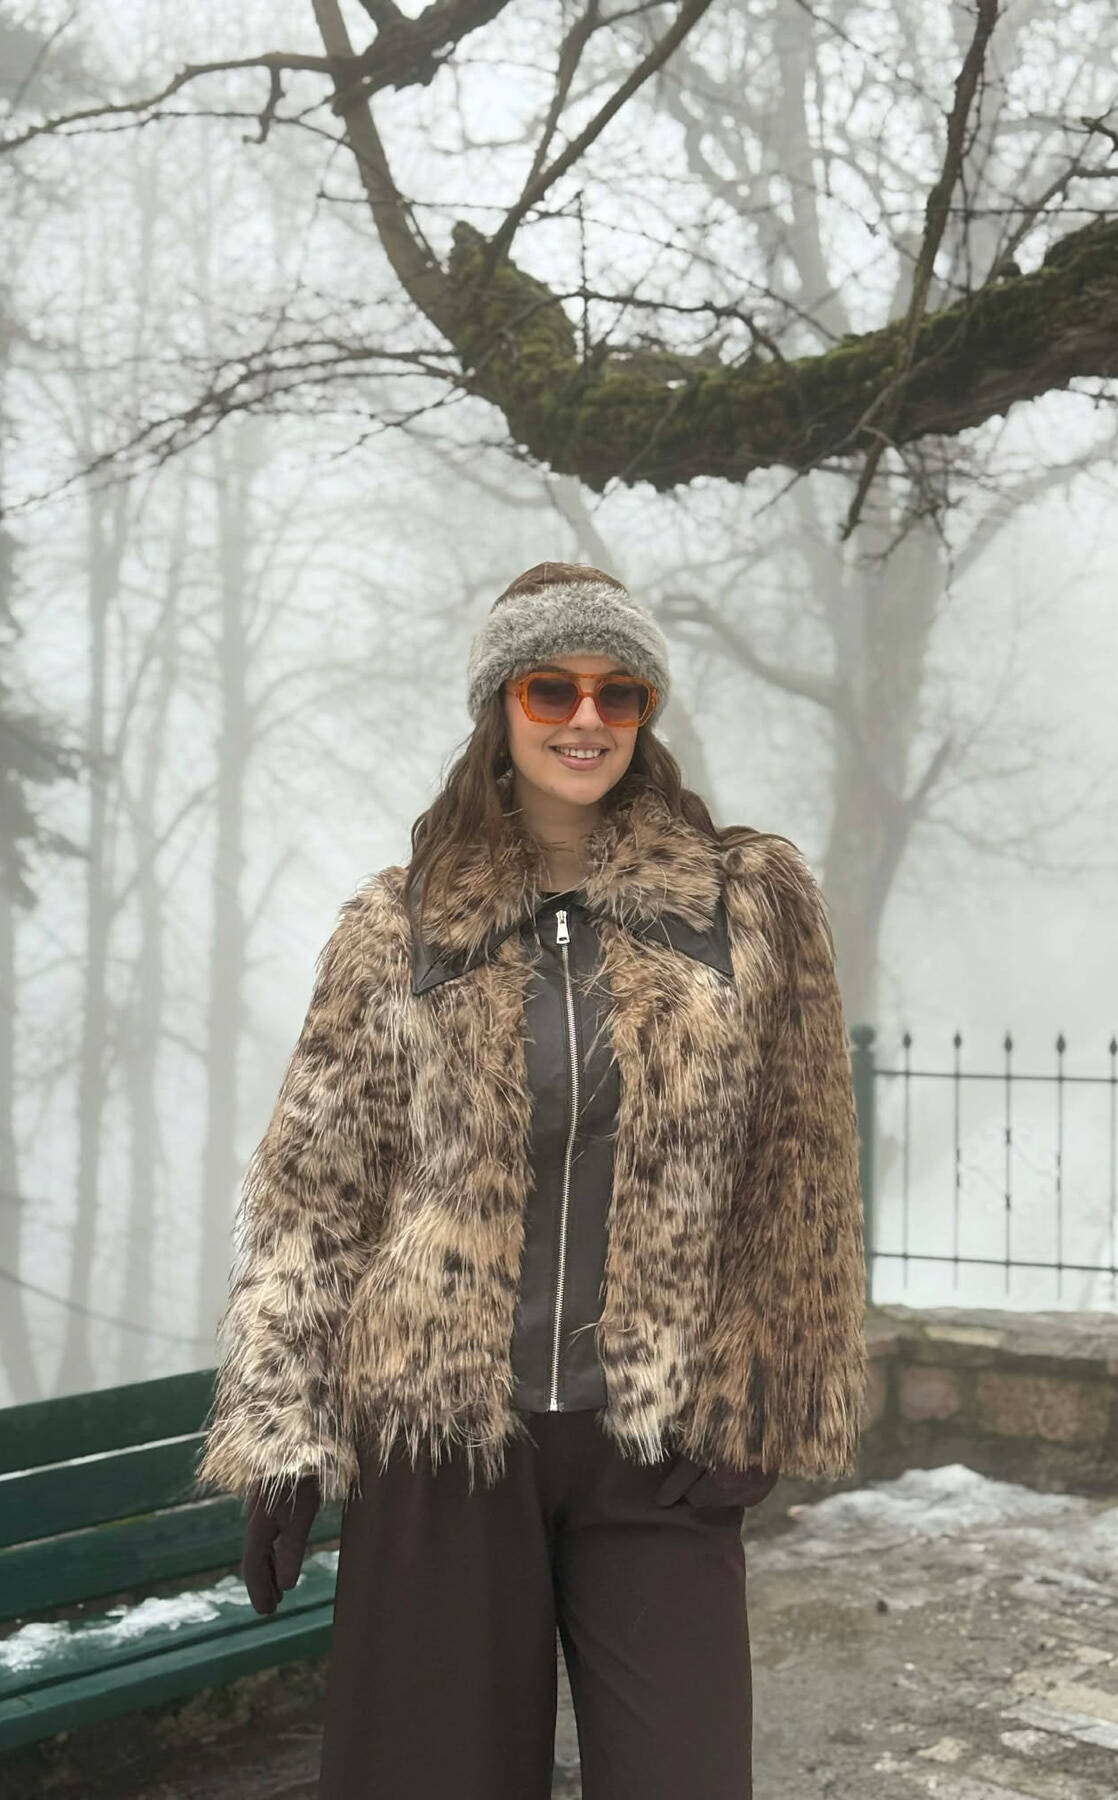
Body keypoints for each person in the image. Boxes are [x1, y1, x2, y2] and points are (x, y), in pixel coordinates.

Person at [194, 560, 868, 1800]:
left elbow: (801, 1171)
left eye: (620, 691)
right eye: (552, 688)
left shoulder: (746, 908)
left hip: (655, 1445)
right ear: (499, 707)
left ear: (647, 710)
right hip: (441, 1443)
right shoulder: (400, 928)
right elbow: (315, 1195)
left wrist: (767, 1386)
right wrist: (284, 1431)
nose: (586, 719)